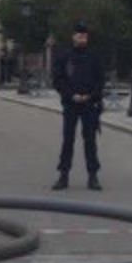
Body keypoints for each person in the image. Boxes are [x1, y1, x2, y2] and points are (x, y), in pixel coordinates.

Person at [52, 21, 104, 191]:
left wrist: (91, 96)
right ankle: (63, 175)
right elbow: (58, 80)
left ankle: (93, 176)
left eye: (84, 36)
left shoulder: (94, 56)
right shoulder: (64, 56)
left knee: (90, 141)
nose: (82, 38)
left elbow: (100, 80)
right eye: (79, 35)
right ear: (73, 36)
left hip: (89, 104)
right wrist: (70, 95)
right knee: (68, 140)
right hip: (70, 103)